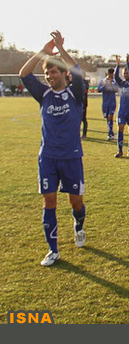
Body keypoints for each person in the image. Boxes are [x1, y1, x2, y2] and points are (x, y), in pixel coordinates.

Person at [19, 30, 86, 266]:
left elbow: (78, 71)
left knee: (75, 203)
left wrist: (61, 49)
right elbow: (23, 73)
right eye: (46, 73)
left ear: (63, 73)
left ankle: (78, 224)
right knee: (49, 202)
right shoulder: (43, 94)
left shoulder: (75, 93)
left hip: (71, 157)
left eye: (53, 71)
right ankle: (53, 250)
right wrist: (43, 52)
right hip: (47, 157)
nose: (48, 76)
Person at [114, 54, 129, 158]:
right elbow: (115, 77)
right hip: (122, 110)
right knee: (120, 128)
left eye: (127, 72)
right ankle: (120, 151)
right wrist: (118, 65)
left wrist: (128, 63)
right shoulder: (122, 84)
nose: (126, 74)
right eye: (125, 73)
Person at [97, 67, 118, 140]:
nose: (111, 76)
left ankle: (109, 134)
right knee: (107, 118)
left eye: (112, 74)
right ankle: (111, 133)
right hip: (105, 102)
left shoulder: (114, 81)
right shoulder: (103, 81)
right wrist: (104, 85)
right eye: (110, 74)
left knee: (110, 117)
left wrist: (111, 84)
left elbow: (116, 90)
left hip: (112, 102)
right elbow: (99, 89)